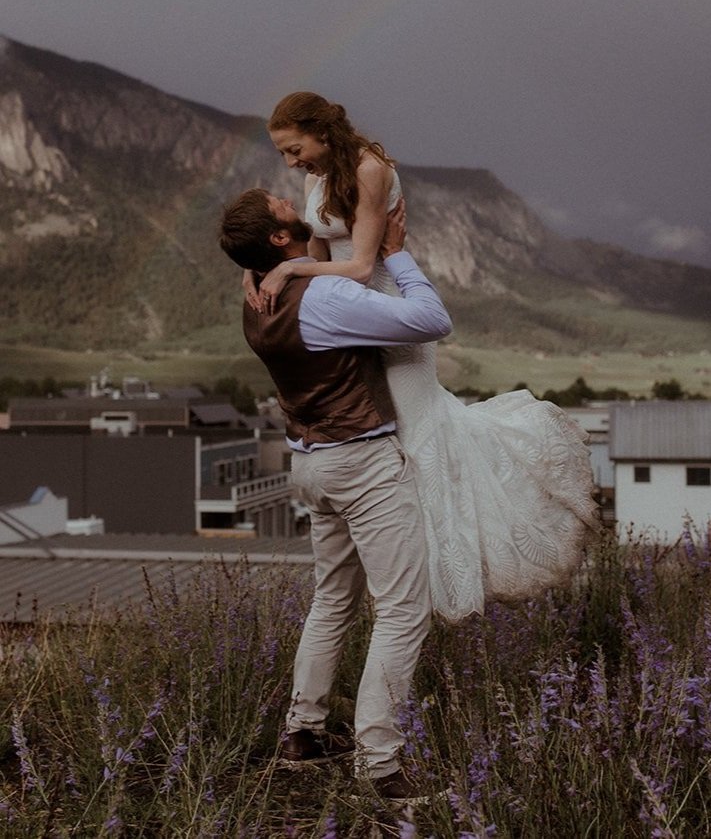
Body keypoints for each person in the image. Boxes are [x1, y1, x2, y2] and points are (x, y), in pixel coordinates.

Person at [246, 92, 600, 624]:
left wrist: (290, 273)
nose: (292, 163)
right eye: (285, 155)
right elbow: (318, 254)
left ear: (321, 131)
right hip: (347, 316)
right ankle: (390, 567)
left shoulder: (370, 170)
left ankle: (433, 578)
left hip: (390, 308)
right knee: (373, 428)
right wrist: (264, 269)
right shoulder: (314, 178)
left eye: (295, 149)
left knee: (417, 432)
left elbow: (363, 265)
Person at [219, 187, 452, 802]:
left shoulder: (255, 297)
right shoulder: (326, 295)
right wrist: (397, 256)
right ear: (278, 237)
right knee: (403, 609)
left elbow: (289, 256)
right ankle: (381, 765)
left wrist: (266, 262)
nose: (284, 194)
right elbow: (432, 321)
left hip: (310, 464)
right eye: (276, 204)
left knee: (333, 600)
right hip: (362, 463)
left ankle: (303, 733)